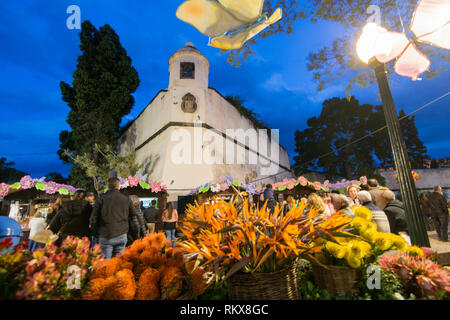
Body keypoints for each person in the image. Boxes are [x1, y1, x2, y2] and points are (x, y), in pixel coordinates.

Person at [90, 178, 140, 259]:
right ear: (119, 186)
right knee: (118, 263)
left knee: (106, 264)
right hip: (121, 234)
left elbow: (94, 218)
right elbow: (134, 218)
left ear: (108, 186)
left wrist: (96, 233)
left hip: (105, 234)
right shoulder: (126, 199)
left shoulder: (101, 199)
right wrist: (136, 235)